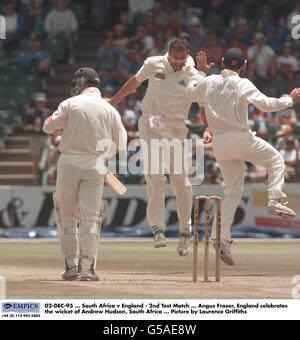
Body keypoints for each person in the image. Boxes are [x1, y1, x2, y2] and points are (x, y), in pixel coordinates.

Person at [188, 48, 300, 266]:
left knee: (232, 190)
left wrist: (201, 73)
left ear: (221, 63)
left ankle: (220, 239)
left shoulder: (209, 81)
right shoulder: (242, 83)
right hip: (240, 138)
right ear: (243, 66)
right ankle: (275, 199)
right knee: (276, 160)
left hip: (219, 143)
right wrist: (291, 100)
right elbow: (267, 105)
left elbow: (192, 95)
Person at [108, 38, 212, 256]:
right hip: (150, 125)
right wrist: (115, 101)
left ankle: (185, 230)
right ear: (168, 53)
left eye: (181, 60)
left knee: (180, 181)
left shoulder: (194, 73)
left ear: (187, 55)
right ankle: (157, 228)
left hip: (176, 128)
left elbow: (203, 102)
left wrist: (207, 127)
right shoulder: (153, 63)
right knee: (155, 177)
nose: (177, 64)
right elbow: (135, 82)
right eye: (174, 60)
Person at [43, 67, 127, 281]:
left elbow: (47, 128)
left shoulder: (70, 104)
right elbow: (122, 143)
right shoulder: (109, 109)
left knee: (66, 215)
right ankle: (87, 269)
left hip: (69, 162)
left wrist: (54, 123)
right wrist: (103, 155)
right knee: (91, 217)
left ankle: (71, 268)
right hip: (95, 165)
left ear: (81, 82)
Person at [23, 93, 51, 185]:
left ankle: (46, 181)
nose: (40, 103)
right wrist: (33, 127)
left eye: (42, 102)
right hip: (34, 137)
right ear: (36, 103)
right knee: (35, 159)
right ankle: (35, 181)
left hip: (45, 137)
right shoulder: (30, 113)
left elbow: (51, 125)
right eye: (39, 102)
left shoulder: (48, 112)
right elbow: (26, 126)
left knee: (46, 159)